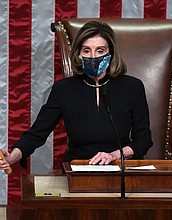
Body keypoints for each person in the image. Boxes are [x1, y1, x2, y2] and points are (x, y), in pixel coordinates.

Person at [0, 20, 152, 172]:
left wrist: (113, 155)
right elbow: (37, 134)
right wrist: (12, 157)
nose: (93, 57)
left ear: (111, 54)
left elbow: (143, 140)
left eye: (100, 51)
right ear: (78, 53)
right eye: (87, 50)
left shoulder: (132, 87)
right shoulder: (64, 89)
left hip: (120, 167)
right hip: (77, 169)